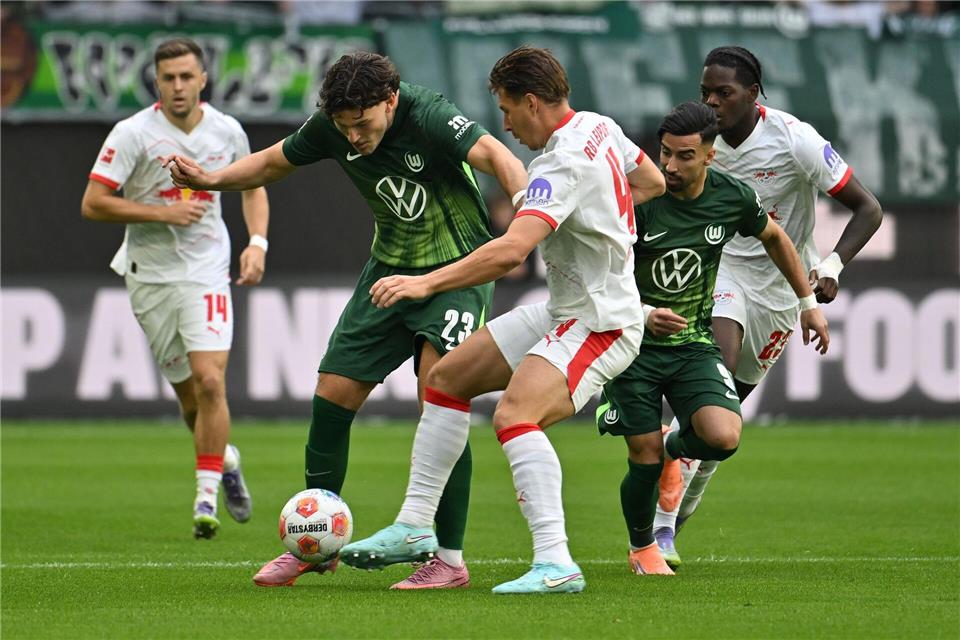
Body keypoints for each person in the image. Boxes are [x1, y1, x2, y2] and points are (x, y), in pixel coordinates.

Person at [165, 51, 529, 588]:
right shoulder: (336, 125)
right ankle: (315, 546)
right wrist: (212, 179)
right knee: (332, 395)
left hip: (456, 272)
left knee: (442, 398)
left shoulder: (427, 114)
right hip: (388, 271)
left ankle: (448, 561)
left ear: (390, 100)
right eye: (344, 128)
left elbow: (495, 154)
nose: (354, 138)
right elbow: (272, 162)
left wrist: (525, 202)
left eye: (363, 125)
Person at [339, 46, 666, 594]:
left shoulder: (560, 164)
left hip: (601, 321)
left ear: (532, 102)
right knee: (445, 380)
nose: (506, 125)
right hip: (568, 308)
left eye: (508, 110)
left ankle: (556, 562)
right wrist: (600, 215)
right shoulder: (599, 127)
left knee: (516, 416)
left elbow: (512, 252)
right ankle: (417, 525)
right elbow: (652, 181)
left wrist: (424, 282)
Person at [652, 46, 883, 568]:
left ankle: (676, 509)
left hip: (782, 284)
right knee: (716, 372)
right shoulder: (698, 143)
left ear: (753, 94)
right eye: (705, 91)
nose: (711, 103)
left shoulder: (794, 139)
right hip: (722, 268)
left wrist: (831, 269)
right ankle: (659, 527)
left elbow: (868, 209)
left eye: (723, 93)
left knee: (726, 414)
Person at [596, 101, 830, 576]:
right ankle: (643, 549)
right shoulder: (637, 200)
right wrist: (642, 313)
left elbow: (776, 238)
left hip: (691, 344)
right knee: (640, 457)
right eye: (664, 154)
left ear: (709, 156)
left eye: (684, 156)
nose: (669, 167)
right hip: (631, 345)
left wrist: (807, 303)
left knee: (723, 437)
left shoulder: (732, 197)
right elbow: (597, 271)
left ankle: (673, 447)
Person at [80, 38, 268, 539]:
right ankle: (225, 459)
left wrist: (258, 243)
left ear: (203, 78)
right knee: (189, 400)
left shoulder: (227, 130)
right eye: (169, 78)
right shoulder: (134, 133)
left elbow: (253, 186)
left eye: (187, 76)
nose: (179, 86)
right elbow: (94, 203)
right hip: (149, 274)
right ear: (157, 82)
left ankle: (204, 498)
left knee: (211, 382)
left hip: (208, 269)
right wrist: (161, 213)